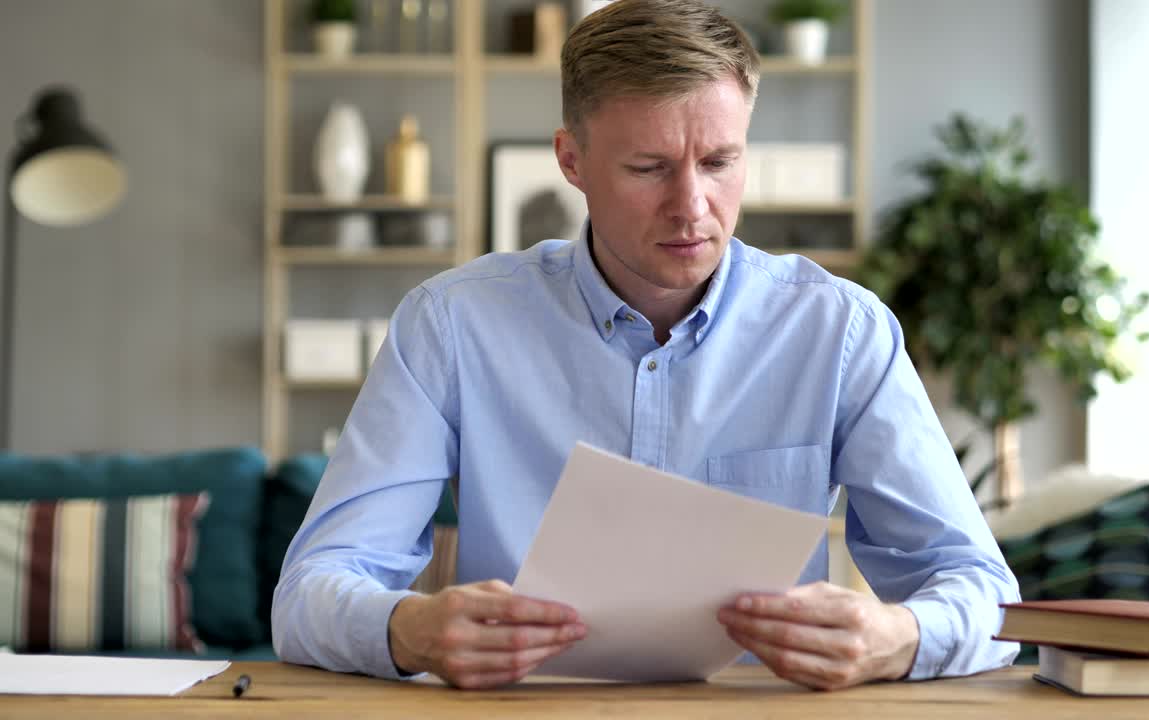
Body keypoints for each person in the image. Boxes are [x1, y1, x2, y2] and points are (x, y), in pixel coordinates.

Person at [272, 0, 1020, 691]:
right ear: (571, 161)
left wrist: (901, 634)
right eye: (649, 168)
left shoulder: (841, 332)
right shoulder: (451, 326)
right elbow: (310, 591)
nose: (692, 208)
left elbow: (985, 594)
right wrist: (409, 630)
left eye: (720, 162)